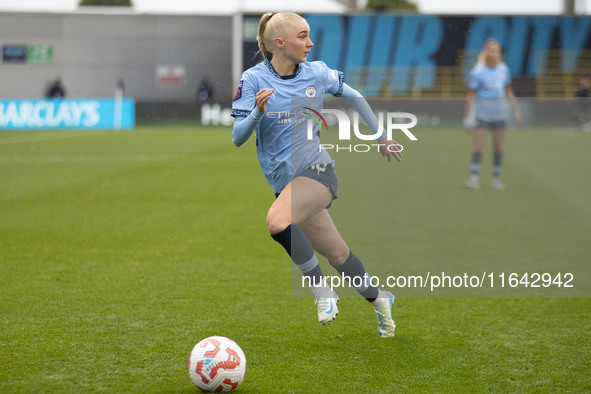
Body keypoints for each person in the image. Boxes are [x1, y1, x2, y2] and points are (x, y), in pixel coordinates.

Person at [231, 12, 402, 337]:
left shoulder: (317, 73)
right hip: (287, 186)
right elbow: (238, 137)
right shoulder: (253, 79)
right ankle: (381, 302)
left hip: (318, 172)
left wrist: (381, 135)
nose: (310, 43)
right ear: (279, 43)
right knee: (339, 255)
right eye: (302, 36)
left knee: (276, 222)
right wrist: (257, 112)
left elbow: (354, 96)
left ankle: (321, 290)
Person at [463, 39, 521, 190]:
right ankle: (473, 178)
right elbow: (471, 95)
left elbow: (508, 90)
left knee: (498, 147)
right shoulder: (478, 71)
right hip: (482, 114)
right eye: (490, 50)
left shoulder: (504, 70)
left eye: (495, 50)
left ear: (499, 53)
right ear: (485, 52)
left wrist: (516, 110)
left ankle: (496, 178)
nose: (493, 53)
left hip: (500, 114)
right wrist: (468, 118)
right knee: (479, 146)